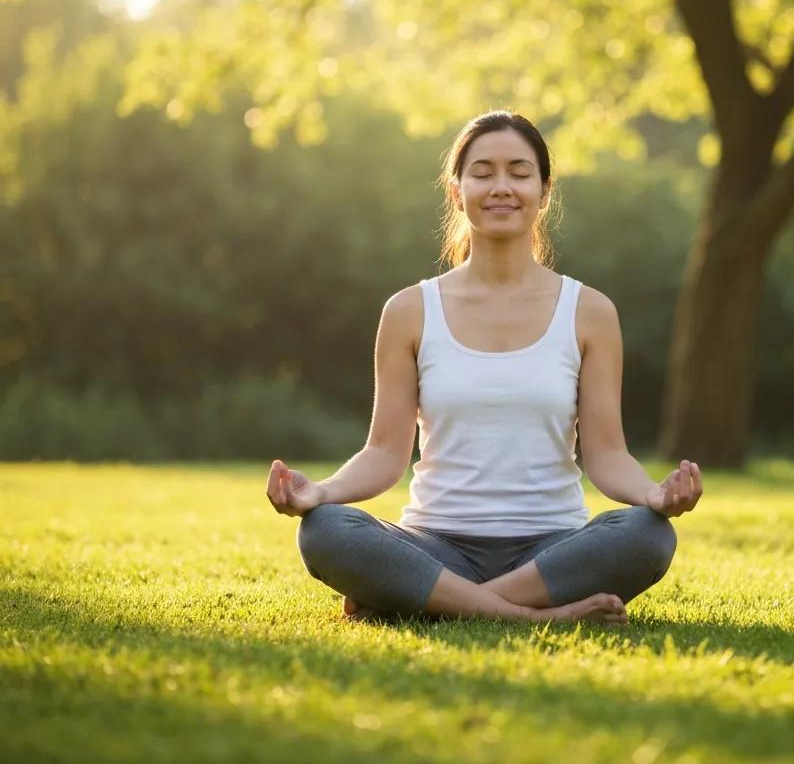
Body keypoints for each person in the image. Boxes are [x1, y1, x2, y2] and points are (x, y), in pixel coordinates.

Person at [266, 110, 703, 625]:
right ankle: (534, 616)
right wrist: (319, 493)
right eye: (483, 172)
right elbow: (384, 453)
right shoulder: (409, 311)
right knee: (323, 530)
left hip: (551, 547)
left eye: (519, 172)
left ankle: (427, 601)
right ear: (457, 190)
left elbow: (607, 455)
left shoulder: (590, 312)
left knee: (649, 534)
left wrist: (653, 495)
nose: (502, 187)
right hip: (436, 546)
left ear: (544, 190)